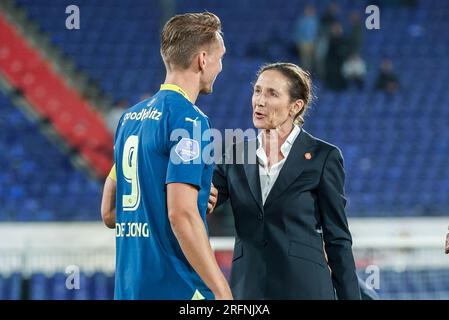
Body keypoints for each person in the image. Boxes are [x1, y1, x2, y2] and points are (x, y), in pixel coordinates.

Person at [101, 12, 232, 300]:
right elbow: (181, 215)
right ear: (202, 59)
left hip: (130, 288)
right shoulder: (189, 120)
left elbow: (109, 213)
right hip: (178, 288)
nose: (221, 67)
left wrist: (193, 196)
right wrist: (223, 292)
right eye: (219, 57)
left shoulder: (130, 118)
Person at [210, 62, 360, 299]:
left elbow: (337, 238)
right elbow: (203, 198)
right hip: (249, 290)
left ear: (295, 106)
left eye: (272, 94)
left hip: (305, 288)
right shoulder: (235, 154)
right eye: (257, 91)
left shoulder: (323, 157)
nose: (260, 101)